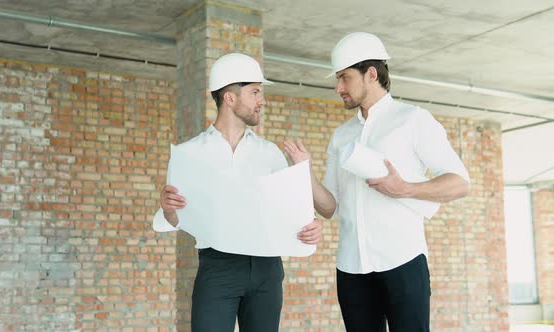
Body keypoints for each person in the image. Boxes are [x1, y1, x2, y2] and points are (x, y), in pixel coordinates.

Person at [283, 32, 470, 332]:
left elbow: (460, 182)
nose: (338, 87)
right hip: (352, 269)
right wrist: (305, 171)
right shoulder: (342, 136)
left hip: (403, 262)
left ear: (371, 74)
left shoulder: (413, 119)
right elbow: (330, 207)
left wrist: (406, 189)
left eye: (344, 78)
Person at [153, 53, 323, 332]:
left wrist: (310, 227)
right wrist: (169, 208)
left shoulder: (270, 153)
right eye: (255, 92)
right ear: (230, 98)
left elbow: (291, 211)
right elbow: (176, 221)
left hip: (267, 269)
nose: (262, 100)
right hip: (218, 268)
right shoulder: (188, 154)